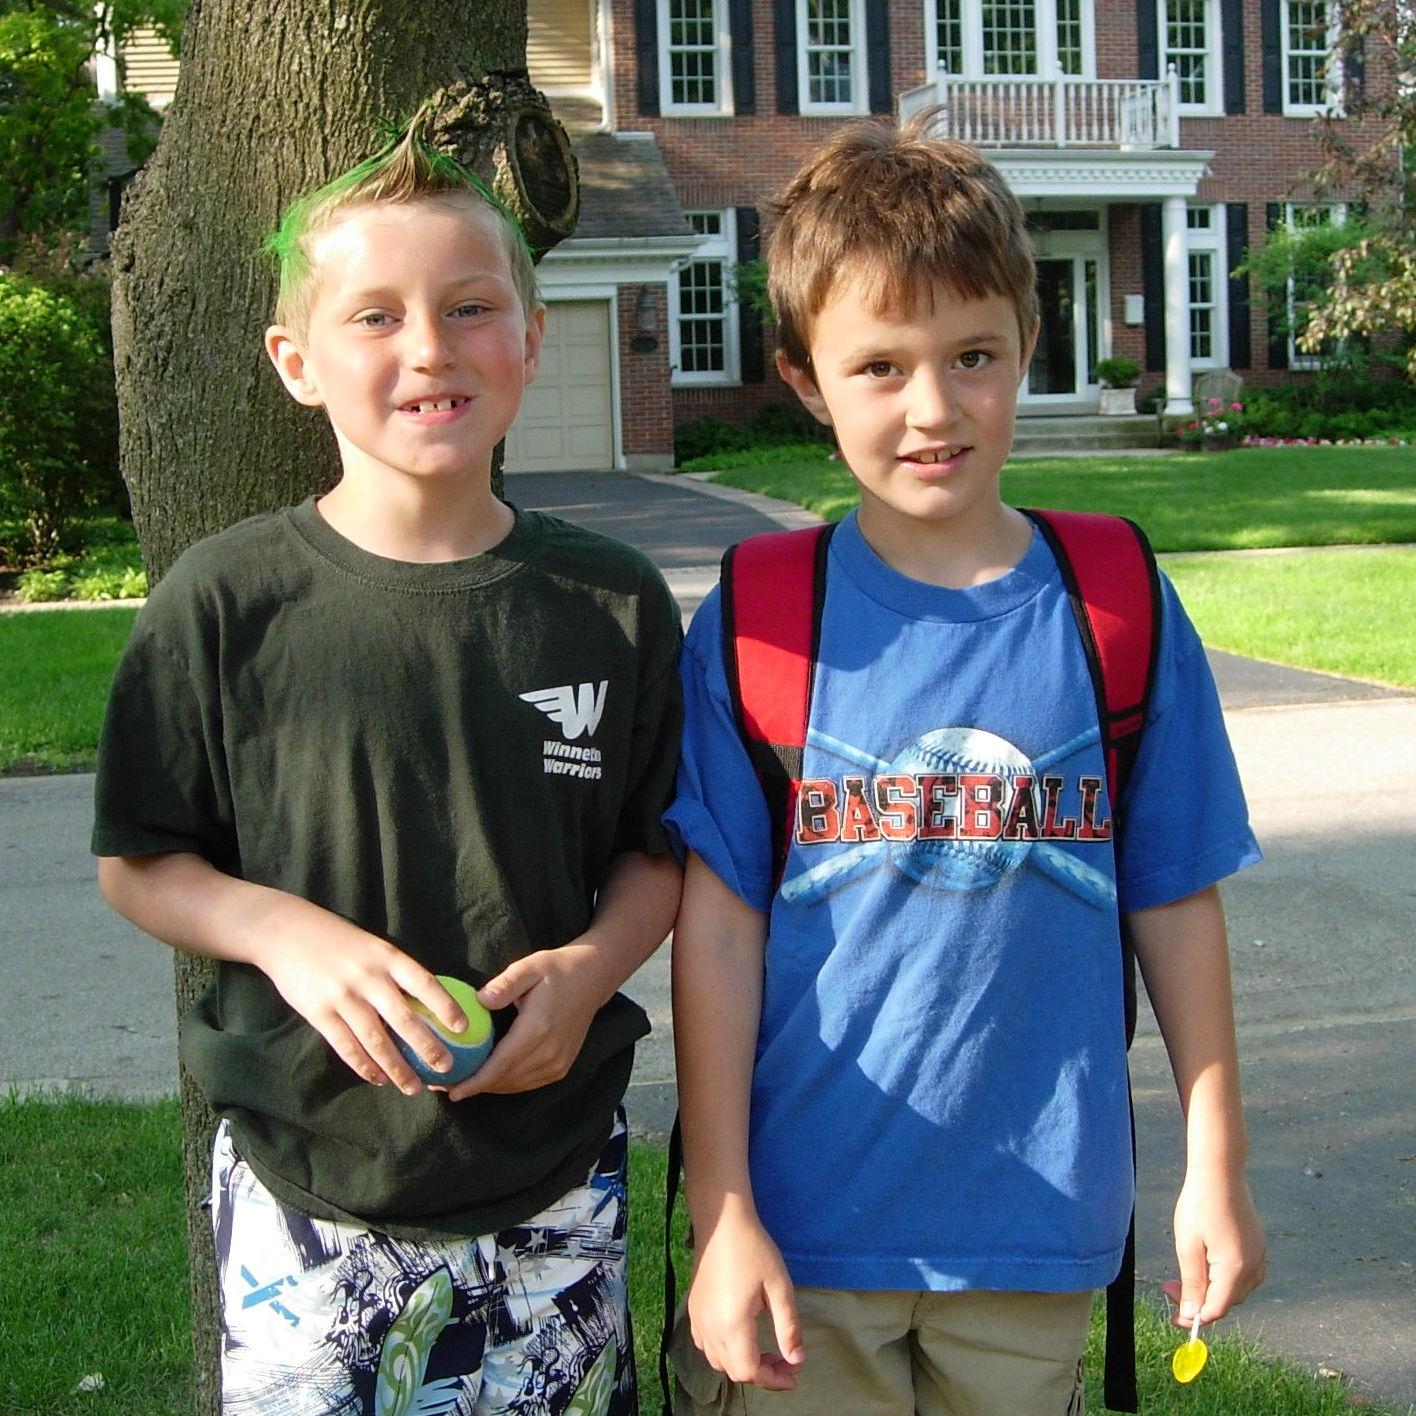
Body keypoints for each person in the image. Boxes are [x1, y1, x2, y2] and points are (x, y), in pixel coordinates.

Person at [666, 113, 1266, 1415]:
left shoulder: (1116, 603)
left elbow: (1174, 896)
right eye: (879, 367)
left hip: (1036, 1226)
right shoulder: (761, 619)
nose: (932, 408)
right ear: (805, 378)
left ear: (1027, 344)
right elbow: (715, 930)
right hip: (802, 1234)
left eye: (972, 356)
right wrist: (722, 1211)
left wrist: (1213, 1161)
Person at [92, 118, 682, 1415]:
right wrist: (283, 934)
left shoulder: (612, 602)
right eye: (375, 317)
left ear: (531, 339)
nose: (430, 347)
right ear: (296, 363)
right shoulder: (224, 602)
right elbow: (140, 861)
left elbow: (656, 854)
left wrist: (590, 974)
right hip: (308, 1177)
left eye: (471, 307)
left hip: (557, 1176)